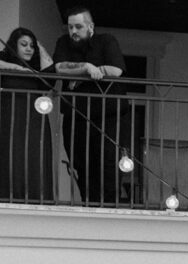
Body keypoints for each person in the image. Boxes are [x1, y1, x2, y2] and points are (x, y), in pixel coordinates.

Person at [52, 6, 126, 204]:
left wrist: (81, 76)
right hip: (75, 115)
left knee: (108, 164)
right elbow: (59, 68)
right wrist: (87, 68)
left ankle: (109, 208)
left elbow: (116, 70)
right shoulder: (63, 43)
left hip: (106, 115)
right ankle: (88, 204)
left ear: (90, 26)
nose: (73, 31)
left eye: (78, 26)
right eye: (70, 27)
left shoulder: (106, 41)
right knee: (80, 164)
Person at [0, 27, 54, 202]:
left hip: (34, 121)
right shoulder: (3, 57)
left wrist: (40, 47)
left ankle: (37, 199)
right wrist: (19, 69)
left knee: (34, 158)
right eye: (24, 44)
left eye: (32, 45)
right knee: (10, 156)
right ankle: (7, 197)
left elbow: (51, 75)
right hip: (7, 118)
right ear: (14, 45)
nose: (29, 48)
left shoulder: (37, 70)